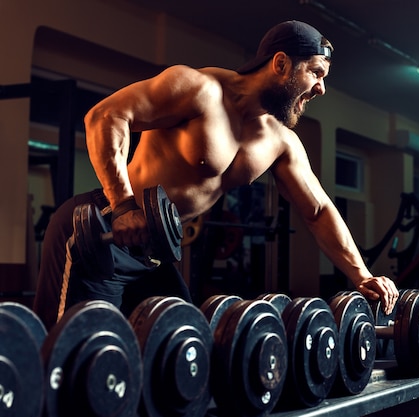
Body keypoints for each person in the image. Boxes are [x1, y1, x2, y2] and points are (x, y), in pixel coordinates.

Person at [33, 20, 399, 330]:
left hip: (154, 253)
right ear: (282, 64)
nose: (321, 87)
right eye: (316, 72)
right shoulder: (198, 89)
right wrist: (124, 204)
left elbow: (318, 210)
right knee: (73, 359)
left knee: (178, 355)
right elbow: (105, 117)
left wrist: (362, 275)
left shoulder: (279, 141)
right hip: (101, 231)